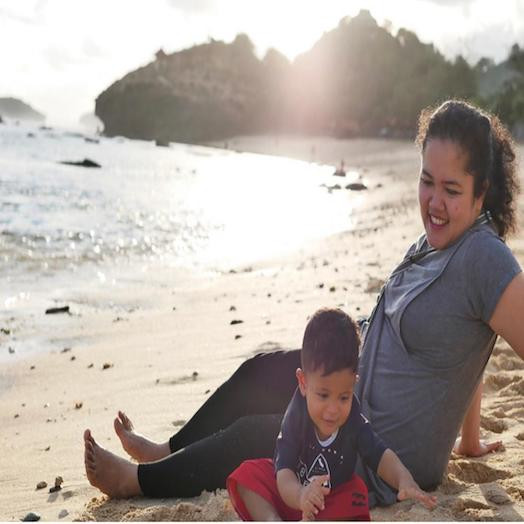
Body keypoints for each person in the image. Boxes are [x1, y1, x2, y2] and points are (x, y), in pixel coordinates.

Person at [84, 99, 524, 508]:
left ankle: (135, 482)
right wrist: (468, 441)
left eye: (451, 188)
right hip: (354, 391)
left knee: (255, 435)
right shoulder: (435, 244)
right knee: (260, 371)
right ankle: (168, 453)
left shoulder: (484, 258)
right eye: (427, 181)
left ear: (481, 191)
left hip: (380, 454)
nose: (434, 202)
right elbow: (463, 348)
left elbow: (494, 323)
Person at [227, 308, 436, 521]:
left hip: (329, 501)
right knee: (248, 474)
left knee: (357, 491)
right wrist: (301, 496)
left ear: (354, 382)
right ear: (303, 383)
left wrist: (404, 480)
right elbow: (284, 473)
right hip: (291, 493)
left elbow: (380, 454)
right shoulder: (297, 414)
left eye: (343, 397)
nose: (333, 409)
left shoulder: (352, 417)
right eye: (323, 395)